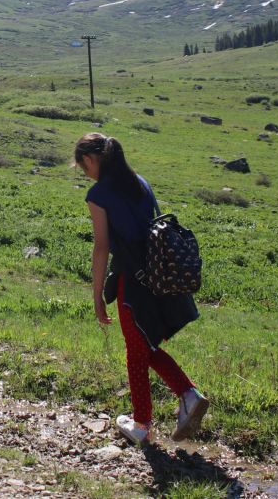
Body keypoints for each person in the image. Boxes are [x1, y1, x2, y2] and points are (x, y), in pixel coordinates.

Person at [74, 132, 207, 445]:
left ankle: (144, 423)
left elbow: (101, 248)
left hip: (131, 281)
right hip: (157, 276)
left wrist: (96, 297)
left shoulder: (98, 194)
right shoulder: (140, 182)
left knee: (136, 353)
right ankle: (187, 397)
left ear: (91, 160)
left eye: (83, 166)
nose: (84, 172)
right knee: (143, 346)